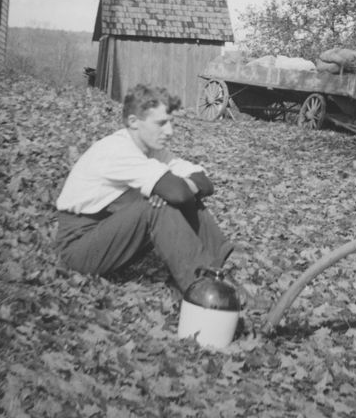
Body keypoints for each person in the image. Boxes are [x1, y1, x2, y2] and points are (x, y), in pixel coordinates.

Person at [52, 83, 234, 292]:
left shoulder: (153, 150)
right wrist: (176, 191)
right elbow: (177, 192)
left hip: (111, 234)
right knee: (158, 205)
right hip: (79, 248)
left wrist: (181, 189)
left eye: (171, 123)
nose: (169, 131)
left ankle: (218, 273)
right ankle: (203, 291)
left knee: (179, 197)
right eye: (161, 124)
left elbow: (204, 181)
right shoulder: (117, 150)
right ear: (134, 122)